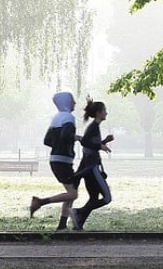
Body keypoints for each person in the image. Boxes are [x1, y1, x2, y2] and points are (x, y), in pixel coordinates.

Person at [29, 90, 79, 231]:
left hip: (56, 159)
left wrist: (59, 146)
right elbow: (66, 136)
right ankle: (40, 202)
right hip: (63, 160)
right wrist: (76, 139)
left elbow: (47, 141)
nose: (74, 103)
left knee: (70, 194)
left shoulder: (56, 118)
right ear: (67, 102)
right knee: (73, 194)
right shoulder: (69, 117)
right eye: (72, 100)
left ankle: (62, 225)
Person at [71, 99, 113, 232]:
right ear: (99, 113)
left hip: (89, 167)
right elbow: (85, 142)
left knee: (94, 197)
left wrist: (104, 141)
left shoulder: (94, 127)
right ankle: (78, 212)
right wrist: (100, 145)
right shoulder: (93, 126)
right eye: (104, 110)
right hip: (92, 167)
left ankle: (78, 223)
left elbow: (90, 143)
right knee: (106, 198)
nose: (107, 113)